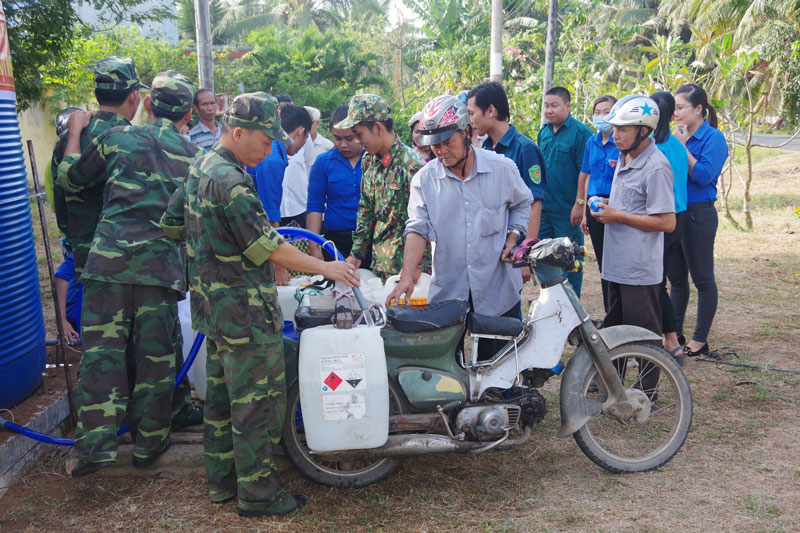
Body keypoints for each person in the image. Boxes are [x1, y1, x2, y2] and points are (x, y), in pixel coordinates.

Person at [160, 92, 360, 517]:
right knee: (254, 403)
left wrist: (212, 249)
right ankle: (259, 495)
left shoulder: (201, 165)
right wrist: (329, 270)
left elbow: (172, 223)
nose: (270, 149)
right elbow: (269, 248)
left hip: (212, 309)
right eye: (265, 141)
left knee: (219, 399)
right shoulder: (231, 181)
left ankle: (223, 482)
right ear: (237, 132)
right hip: (244, 312)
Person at [57, 71, 203, 477]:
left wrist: (74, 134)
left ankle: (94, 450)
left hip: (108, 264)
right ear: (187, 112)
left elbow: (70, 179)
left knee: (102, 358)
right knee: (155, 358)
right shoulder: (194, 155)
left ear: (149, 105)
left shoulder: (116, 138)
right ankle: (150, 444)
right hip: (160, 269)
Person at [386, 95, 532, 358]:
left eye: (447, 143)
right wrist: (408, 274)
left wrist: (514, 237)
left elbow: (523, 205)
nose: (441, 151)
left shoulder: (502, 169)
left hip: (496, 286)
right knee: (447, 366)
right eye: (434, 146)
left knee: (500, 364)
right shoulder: (424, 181)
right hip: (450, 289)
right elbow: (417, 228)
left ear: (466, 132)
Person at [590, 95, 675, 399]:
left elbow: (666, 221)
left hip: (639, 267)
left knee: (644, 334)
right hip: (617, 263)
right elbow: (633, 204)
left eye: (623, 129)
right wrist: (608, 205)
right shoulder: (625, 158)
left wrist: (618, 215)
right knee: (615, 328)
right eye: (614, 128)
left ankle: (646, 393)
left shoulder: (656, 166)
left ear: (644, 130)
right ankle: (611, 385)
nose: (615, 134)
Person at [51, 56, 145, 277]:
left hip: (88, 258)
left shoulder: (67, 139)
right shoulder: (139, 140)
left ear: (95, 94)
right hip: (135, 262)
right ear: (134, 96)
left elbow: (61, 204)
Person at [336, 94, 425, 281]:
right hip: (380, 264)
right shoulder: (369, 161)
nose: (358, 141)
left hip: (408, 270)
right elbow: (366, 209)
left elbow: (428, 221)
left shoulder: (412, 166)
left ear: (377, 127)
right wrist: (356, 254)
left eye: (359, 134)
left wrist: (418, 265)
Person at [467, 81, 547, 284]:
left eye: (472, 113)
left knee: (509, 302)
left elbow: (534, 203)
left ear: (491, 110)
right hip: (493, 243)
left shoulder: (524, 149)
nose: (470, 120)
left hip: (514, 246)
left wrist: (525, 252)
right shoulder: (484, 149)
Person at [671, 83, 729, 357]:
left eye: (681, 108)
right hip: (677, 212)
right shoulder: (676, 136)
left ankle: (699, 339)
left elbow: (704, 175)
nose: (676, 113)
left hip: (700, 213)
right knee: (677, 281)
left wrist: (682, 148)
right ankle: (674, 335)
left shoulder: (713, 138)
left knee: (703, 279)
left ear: (698, 109)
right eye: (675, 108)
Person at [537, 86, 593, 296]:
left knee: (570, 259)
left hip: (567, 209)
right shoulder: (544, 132)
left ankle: (572, 304)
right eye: (546, 106)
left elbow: (585, 172)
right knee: (543, 256)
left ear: (568, 106)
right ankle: (550, 299)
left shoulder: (581, 133)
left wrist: (580, 205)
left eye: (554, 105)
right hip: (545, 207)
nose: (549, 110)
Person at [651, 91, 689, 364]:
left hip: (662, 220)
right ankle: (667, 339)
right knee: (661, 281)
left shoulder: (654, 148)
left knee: (654, 284)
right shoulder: (676, 144)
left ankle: (669, 340)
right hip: (680, 218)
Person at [306, 103, 366, 261]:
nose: (343, 144)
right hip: (336, 240)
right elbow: (315, 206)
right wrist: (314, 246)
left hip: (370, 239)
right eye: (337, 138)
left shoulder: (375, 160)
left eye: (349, 138)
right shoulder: (323, 162)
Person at [578, 95, 619, 312]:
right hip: (593, 207)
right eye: (597, 112)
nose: (601, 116)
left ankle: (619, 311)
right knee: (604, 264)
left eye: (606, 112)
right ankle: (609, 312)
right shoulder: (591, 142)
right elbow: (586, 175)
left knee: (617, 264)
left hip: (616, 207)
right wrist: (584, 211)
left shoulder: (621, 143)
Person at [279, 104, 312, 227]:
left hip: (300, 208)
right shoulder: (273, 158)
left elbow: (309, 168)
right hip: (277, 213)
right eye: (306, 136)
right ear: (301, 131)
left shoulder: (306, 143)